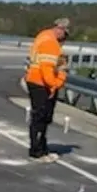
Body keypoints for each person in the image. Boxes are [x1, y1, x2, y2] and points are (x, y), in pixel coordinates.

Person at [23, 17, 70, 161]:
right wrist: (55, 84)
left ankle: (41, 148)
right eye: (65, 35)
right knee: (41, 117)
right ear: (60, 29)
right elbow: (47, 69)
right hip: (41, 83)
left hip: (36, 80)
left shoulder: (44, 37)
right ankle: (37, 151)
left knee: (41, 117)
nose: (65, 39)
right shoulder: (50, 43)